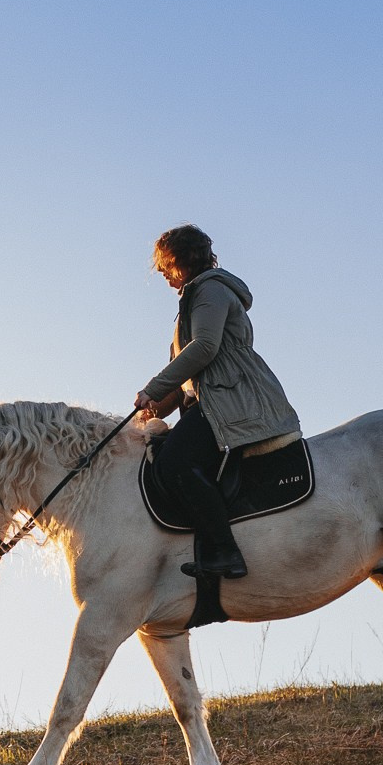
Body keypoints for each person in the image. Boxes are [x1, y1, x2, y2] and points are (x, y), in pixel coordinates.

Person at [134, 225, 303, 580]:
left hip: (233, 401)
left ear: (182, 261)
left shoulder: (210, 289)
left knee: (175, 462)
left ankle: (226, 551)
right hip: (210, 402)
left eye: (167, 269)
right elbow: (184, 380)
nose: (165, 278)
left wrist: (153, 385)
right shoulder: (188, 306)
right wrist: (152, 407)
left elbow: (205, 348)